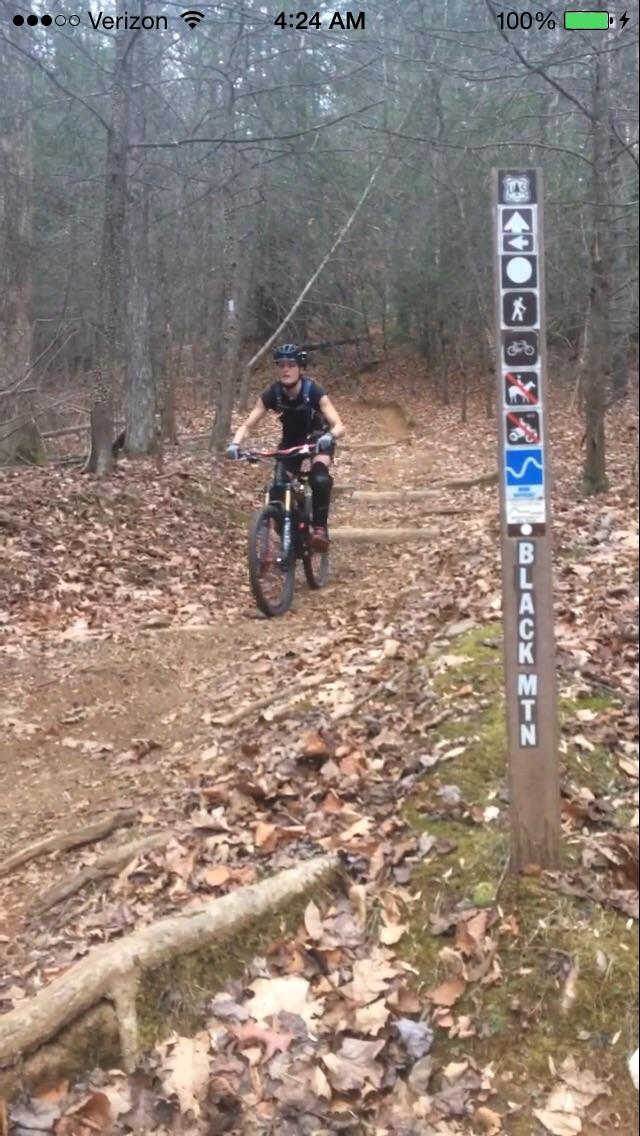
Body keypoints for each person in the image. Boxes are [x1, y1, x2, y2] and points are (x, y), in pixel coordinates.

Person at [226, 343, 345, 551]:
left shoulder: (313, 391)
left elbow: (339, 425)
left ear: (300, 367)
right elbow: (248, 424)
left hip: (318, 438)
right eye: (281, 365)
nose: (286, 369)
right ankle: (292, 536)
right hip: (291, 443)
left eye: (291, 365)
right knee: (277, 490)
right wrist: (236, 444)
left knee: (319, 477)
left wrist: (330, 436)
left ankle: (319, 530)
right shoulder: (273, 394)